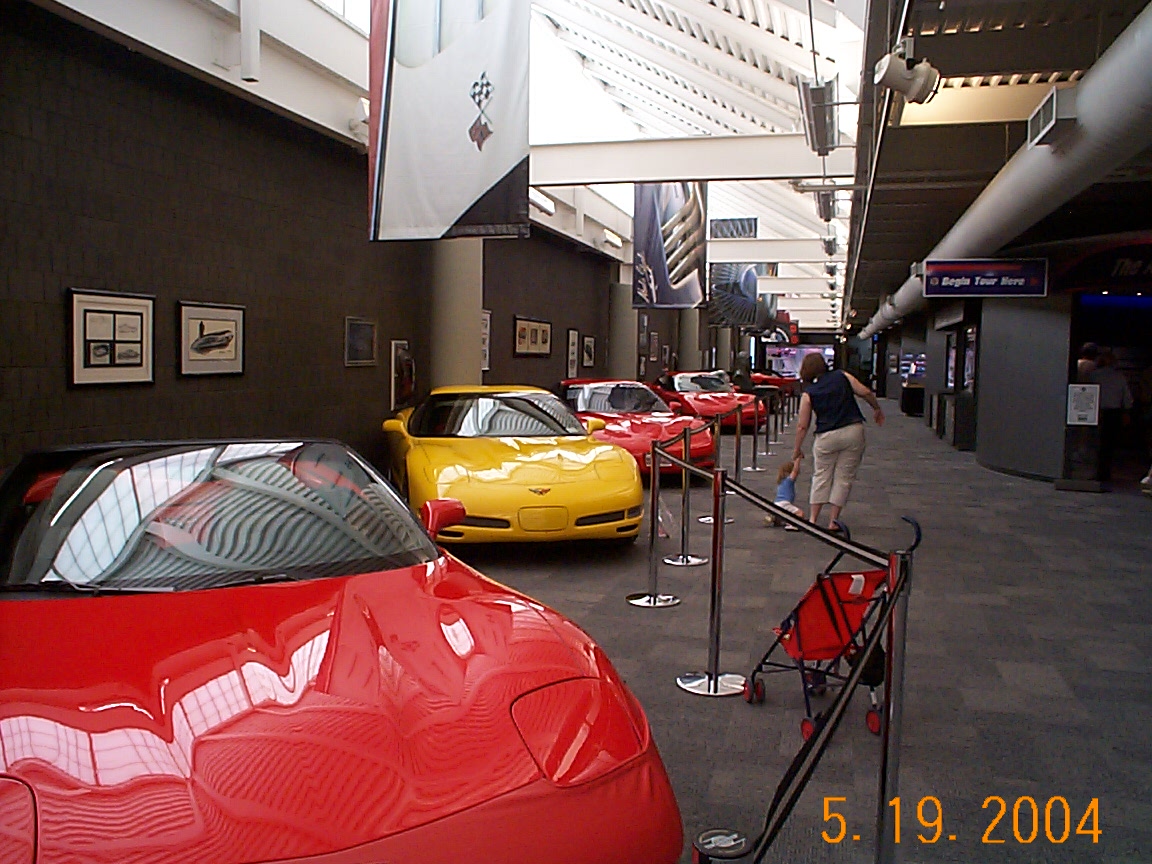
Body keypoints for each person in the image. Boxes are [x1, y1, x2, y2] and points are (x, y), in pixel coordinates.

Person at [792, 353, 884, 530]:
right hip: (853, 431)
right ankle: (833, 521)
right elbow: (865, 392)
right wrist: (876, 408)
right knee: (844, 477)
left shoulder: (809, 393)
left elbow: (802, 425)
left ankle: (813, 519)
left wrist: (797, 448)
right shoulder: (842, 376)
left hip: (826, 436)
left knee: (821, 476)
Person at [1087, 349, 1133, 484]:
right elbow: (1127, 398)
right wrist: (1126, 412)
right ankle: (1105, 472)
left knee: (1095, 442)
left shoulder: (1094, 376)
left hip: (1096, 412)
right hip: (1113, 413)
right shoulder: (1119, 377)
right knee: (1108, 444)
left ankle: (1094, 471)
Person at [765, 456, 804, 530]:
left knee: (785, 513)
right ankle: (791, 524)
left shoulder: (781, 482)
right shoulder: (789, 481)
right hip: (784, 503)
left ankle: (776, 518)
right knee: (800, 513)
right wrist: (798, 460)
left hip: (777, 503)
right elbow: (795, 471)